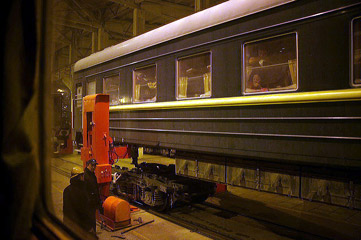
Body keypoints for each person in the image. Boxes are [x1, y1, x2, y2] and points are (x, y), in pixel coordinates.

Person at [63, 166, 92, 232]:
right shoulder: (81, 191)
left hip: (69, 224)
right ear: (78, 177)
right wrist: (89, 227)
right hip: (80, 226)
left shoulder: (67, 190)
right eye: (82, 175)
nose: (83, 177)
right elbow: (84, 211)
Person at [84, 159, 102, 235]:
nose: (94, 167)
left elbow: (95, 189)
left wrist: (98, 200)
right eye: (92, 165)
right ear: (88, 165)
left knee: (92, 218)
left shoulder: (92, 174)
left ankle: (92, 233)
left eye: (95, 165)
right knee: (90, 218)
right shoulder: (86, 176)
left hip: (93, 201)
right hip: (89, 202)